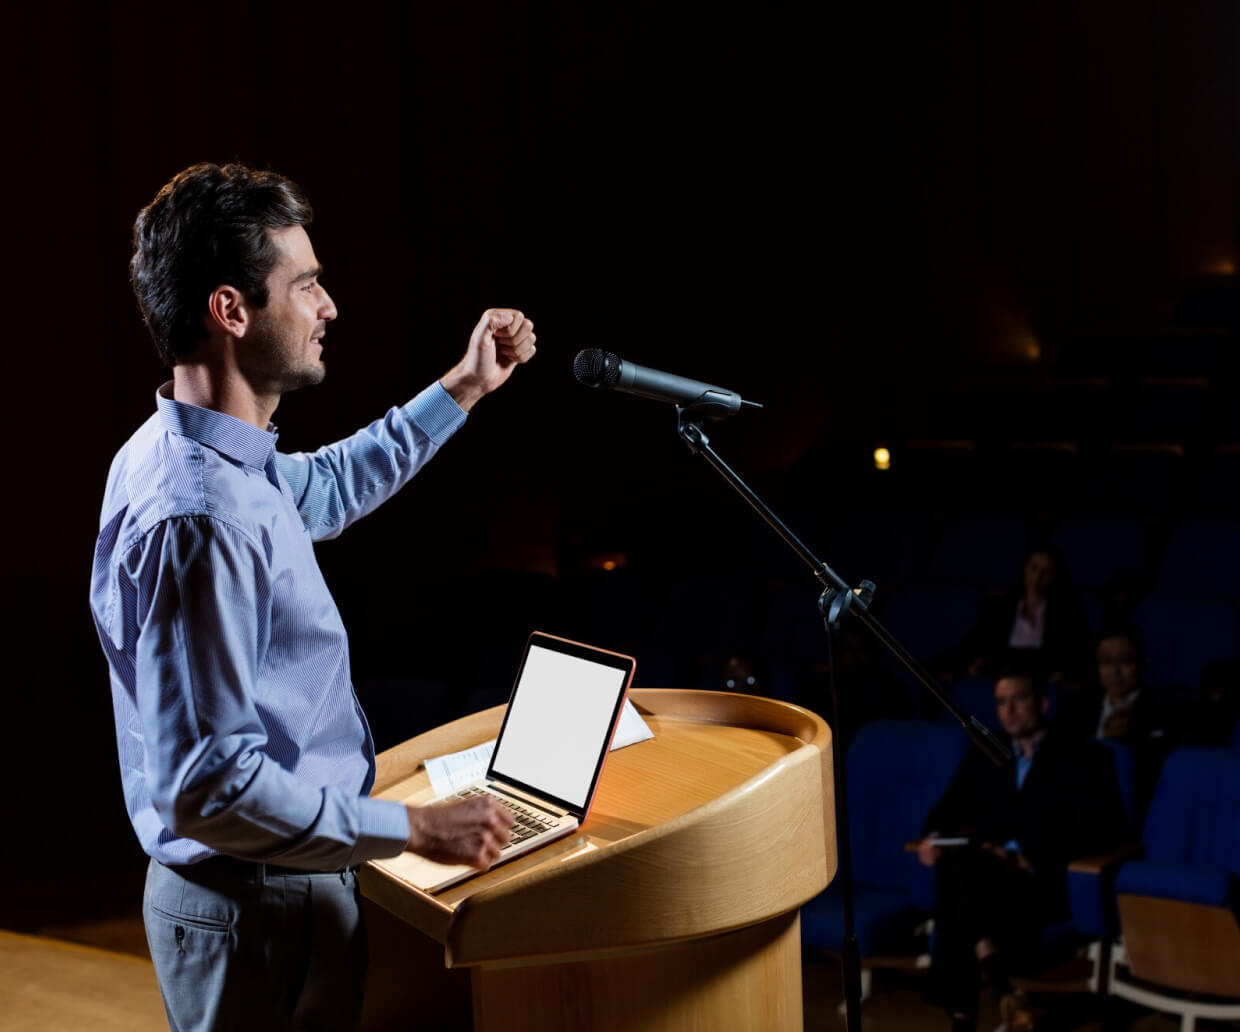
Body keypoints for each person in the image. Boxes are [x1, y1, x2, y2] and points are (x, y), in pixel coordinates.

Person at [89, 163, 533, 1030]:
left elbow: (323, 489)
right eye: (308, 284)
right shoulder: (200, 518)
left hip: (268, 894)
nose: (328, 306)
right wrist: (409, 828)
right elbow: (208, 786)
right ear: (232, 310)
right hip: (256, 908)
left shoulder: (192, 450)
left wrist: (465, 387)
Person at [915, 668, 1126, 1031]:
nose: (1009, 710)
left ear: (1043, 703)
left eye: (1020, 698)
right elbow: (945, 808)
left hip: (1041, 883)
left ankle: (967, 1014)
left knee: (957, 886)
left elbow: (1100, 832)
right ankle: (994, 977)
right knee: (960, 863)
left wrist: (1025, 856)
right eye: (1000, 702)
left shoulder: (1083, 756)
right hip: (987, 880)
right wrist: (932, 836)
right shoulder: (987, 751)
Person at [959, 546, 1091, 684]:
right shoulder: (1001, 608)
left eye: (1045, 572)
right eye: (1033, 568)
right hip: (1001, 678)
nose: (1038, 577)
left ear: (1054, 576)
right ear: (1025, 569)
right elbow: (978, 643)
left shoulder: (1065, 613)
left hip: (1043, 681)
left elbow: (1075, 651)